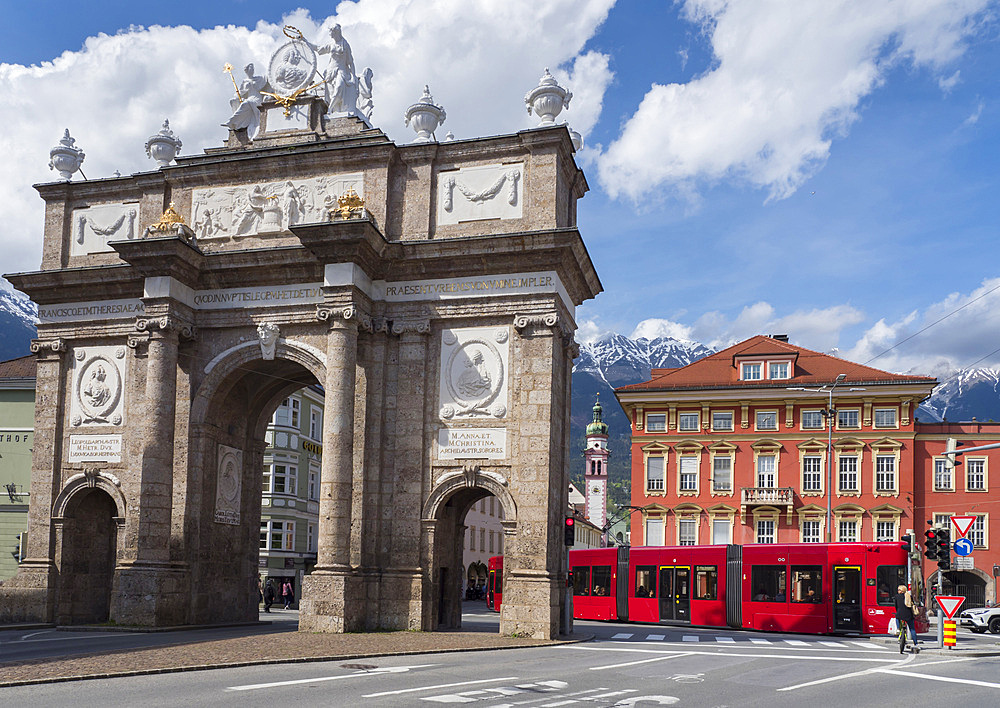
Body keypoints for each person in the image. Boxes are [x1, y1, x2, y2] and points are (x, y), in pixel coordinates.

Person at [222, 63, 265, 139]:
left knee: (248, 106)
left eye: (253, 68)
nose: (252, 70)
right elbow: (239, 93)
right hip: (250, 98)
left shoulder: (259, 78)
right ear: (246, 71)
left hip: (257, 99)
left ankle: (232, 121)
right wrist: (244, 90)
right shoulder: (245, 81)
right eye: (250, 68)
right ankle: (232, 121)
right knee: (245, 104)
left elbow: (266, 82)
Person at [894, 584, 919, 653]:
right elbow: (912, 605)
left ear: (902, 591)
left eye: (899, 590)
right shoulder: (909, 596)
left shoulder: (896, 596)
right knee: (912, 629)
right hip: (909, 615)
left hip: (900, 614)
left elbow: (896, 606)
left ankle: (898, 628)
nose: (898, 591)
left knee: (897, 618)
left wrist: (898, 611)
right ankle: (916, 643)